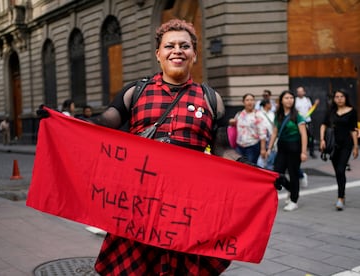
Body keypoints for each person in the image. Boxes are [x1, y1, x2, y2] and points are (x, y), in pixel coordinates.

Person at [85, 18, 241, 275]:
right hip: (140, 205)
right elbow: (104, 122)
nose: (177, 51)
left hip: (188, 206)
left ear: (194, 54)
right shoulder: (135, 91)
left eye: (185, 46)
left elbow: (222, 148)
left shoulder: (212, 99)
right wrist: (67, 122)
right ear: (158, 54)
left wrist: (252, 169)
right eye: (170, 46)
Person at [267, 90, 307, 211]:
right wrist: (269, 148)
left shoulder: (297, 115)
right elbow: (274, 133)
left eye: (291, 98)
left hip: (295, 147)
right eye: (286, 98)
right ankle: (291, 189)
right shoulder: (278, 115)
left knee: (293, 174)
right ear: (281, 100)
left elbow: (303, 134)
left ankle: (294, 200)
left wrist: (304, 152)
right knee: (277, 174)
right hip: (282, 148)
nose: (289, 100)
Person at [319, 89, 358, 211]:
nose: (339, 98)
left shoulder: (352, 111)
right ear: (334, 98)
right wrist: (322, 140)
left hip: (346, 144)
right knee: (338, 172)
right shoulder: (331, 111)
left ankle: (340, 197)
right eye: (337, 96)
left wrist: (356, 147)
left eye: (342, 96)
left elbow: (353, 129)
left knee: (341, 170)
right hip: (333, 145)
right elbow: (323, 124)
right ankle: (342, 193)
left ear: (346, 98)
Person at [230, 93, 267, 164]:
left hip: (252, 146)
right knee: (239, 166)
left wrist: (263, 149)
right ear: (243, 102)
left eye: (252, 100)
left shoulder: (258, 114)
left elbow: (263, 133)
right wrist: (231, 122)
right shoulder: (240, 114)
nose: (250, 102)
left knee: (250, 166)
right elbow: (234, 125)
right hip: (239, 146)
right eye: (247, 100)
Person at [295, 86, 319, 158]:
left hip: (308, 120)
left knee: (310, 136)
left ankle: (312, 152)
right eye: (298, 91)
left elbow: (310, 109)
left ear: (304, 92)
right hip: (299, 121)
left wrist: (315, 105)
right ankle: (299, 152)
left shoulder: (307, 100)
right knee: (299, 137)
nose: (300, 93)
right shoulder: (295, 100)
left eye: (301, 91)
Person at [257, 99, 275, 169]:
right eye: (270, 104)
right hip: (263, 138)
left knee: (270, 158)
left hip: (271, 137)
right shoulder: (259, 114)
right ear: (266, 105)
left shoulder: (272, 113)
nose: (271, 105)